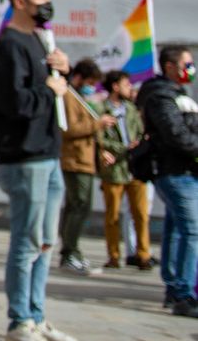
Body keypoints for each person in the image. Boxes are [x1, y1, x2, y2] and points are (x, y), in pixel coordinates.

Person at [0, 0, 79, 341]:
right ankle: (20, 320)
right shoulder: (10, 45)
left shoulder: (40, 41)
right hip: (25, 158)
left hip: (48, 153)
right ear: (20, 1)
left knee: (45, 243)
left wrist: (63, 73)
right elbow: (14, 103)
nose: (47, 5)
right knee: (27, 243)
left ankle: (38, 315)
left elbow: (48, 91)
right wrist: (49, 88)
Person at [136, 44, 198, 316]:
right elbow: (176, 135)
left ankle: (175, 289)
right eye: (187, 63)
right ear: (170, 66)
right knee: (193, 232)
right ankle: (184, 294)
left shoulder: (177, 93)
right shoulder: (161, 95)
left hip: (183, 171)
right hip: (175, 172)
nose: (191, 69)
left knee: (176, 230)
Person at [58, 58, 115, 276]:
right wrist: (97, 124)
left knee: (78, 206)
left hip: (86, 159)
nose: (92, 86)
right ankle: (69, 251)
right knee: (80, 205)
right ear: (80, 77)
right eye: (90, 81)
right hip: (74, 159)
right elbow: (70, 129)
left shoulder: (81, 97)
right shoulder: (68, 96)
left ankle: (72, 250)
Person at [94, 69, 152, 271]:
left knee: (141, 214)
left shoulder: (131, 109)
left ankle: (143, 254)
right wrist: (122, 148)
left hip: (135, 168)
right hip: (114, 169)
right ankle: (113, 255)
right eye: (126, 84)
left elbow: (141, 133)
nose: (130, 88)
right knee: (113, 215)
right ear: (115, 86)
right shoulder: (101, 110)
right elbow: (99, 139)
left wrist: (139, 146)